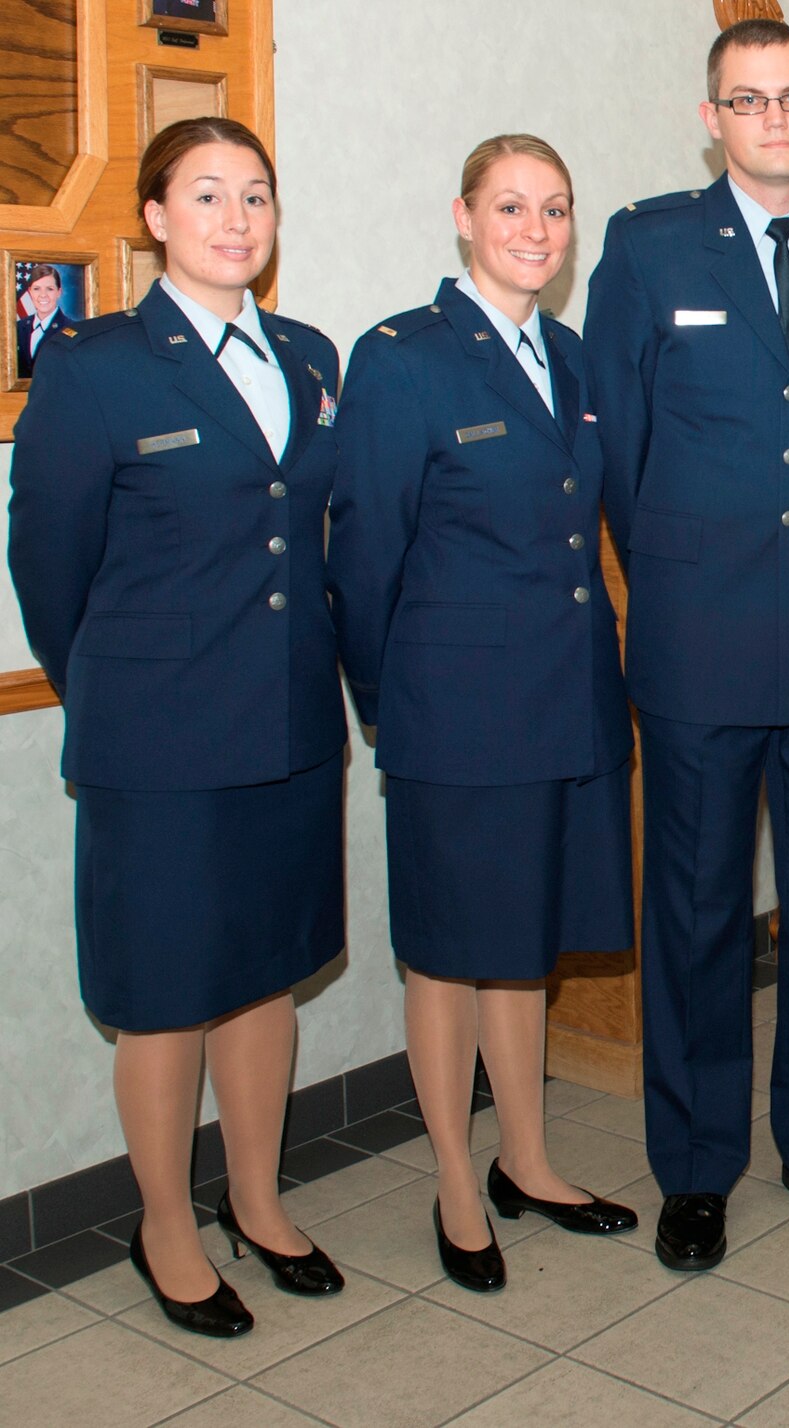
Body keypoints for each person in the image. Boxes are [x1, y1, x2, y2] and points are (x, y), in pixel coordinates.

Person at [583, 18, 789, 1273]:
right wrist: (685, 564)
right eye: (748, 101)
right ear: (711, 116)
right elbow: (619, 446)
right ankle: (694, 1164)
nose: (773, 120)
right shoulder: (648, 243)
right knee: (695, 913)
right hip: (697, 638)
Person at [7, 117, 349, 1337]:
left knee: (265, 977)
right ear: (154, 217)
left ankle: (257, 1203)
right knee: (162, 993)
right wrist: (110, 678)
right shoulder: (96, 364)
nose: (236, 218)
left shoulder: (308, 354)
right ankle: (163, 1226)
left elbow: (316, 537)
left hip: (293, 724)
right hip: (157, 741)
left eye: (255, 193)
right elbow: (49, 564)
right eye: (207, 195)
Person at [326, 134, 638, 1295]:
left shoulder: (568, 354)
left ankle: (531, 1159)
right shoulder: (404, 358)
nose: (535, 230)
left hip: (566, 698)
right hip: (454, 712)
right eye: (510, 206)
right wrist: (389, 704)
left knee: (526, 945)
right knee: (451, 956)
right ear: (463, 217)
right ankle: (457, 1180)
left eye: (554, 209)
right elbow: (362, 560)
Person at [15, 263, 70, 379]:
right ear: (30, 291)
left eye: (49, 289)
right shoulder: (18, 328)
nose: (43, 295)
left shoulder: (71, 328)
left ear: (58, 292)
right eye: (37, 289)